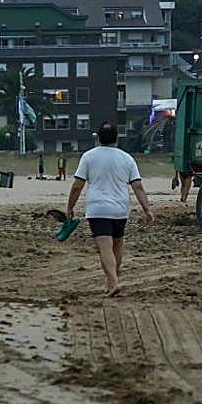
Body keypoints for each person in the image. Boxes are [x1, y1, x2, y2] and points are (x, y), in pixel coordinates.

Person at [66, 122, 155, 296]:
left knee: (105, 246)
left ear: (98, 138)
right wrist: (147, 209)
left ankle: (113, 283)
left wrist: (70, 207)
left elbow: (77, 185)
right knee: (117, 245)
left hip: (98, 209)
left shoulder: (88, 157)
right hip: (120, 209)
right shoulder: (127, 158)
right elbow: (138, 187)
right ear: (116, 139)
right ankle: (110, 282)